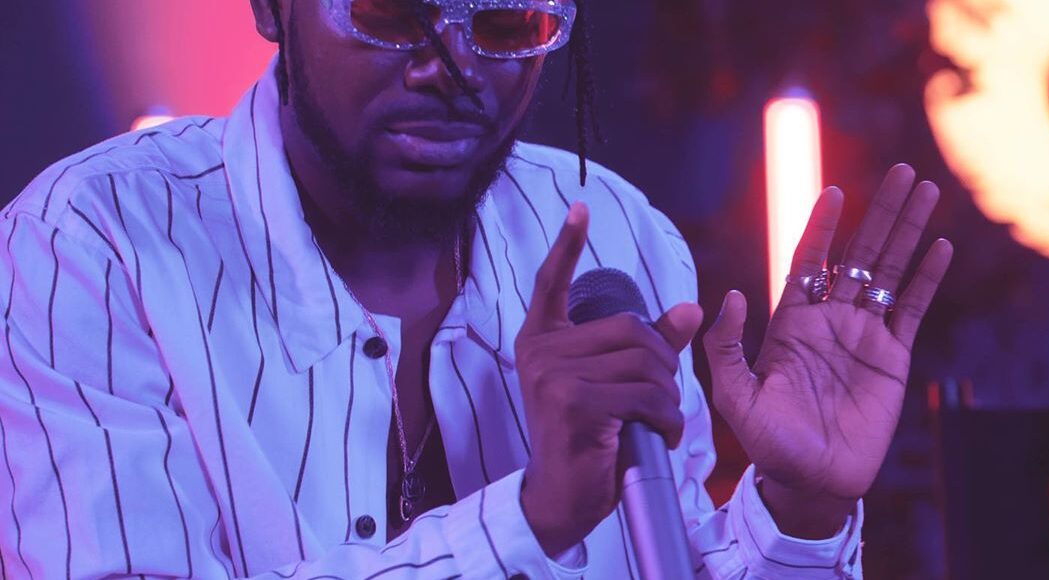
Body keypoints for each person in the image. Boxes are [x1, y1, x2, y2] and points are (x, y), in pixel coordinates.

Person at [0, 0, 952, 577]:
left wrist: (799, 507)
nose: (449, 66)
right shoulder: (95, 243)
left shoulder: (613, 234)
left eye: (503, 23)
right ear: (270, 7)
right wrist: (530, 519)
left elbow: (676, 562)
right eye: (392, 13)